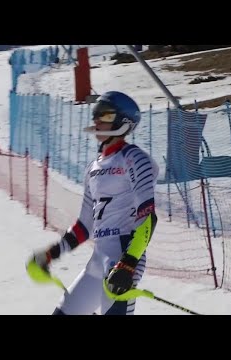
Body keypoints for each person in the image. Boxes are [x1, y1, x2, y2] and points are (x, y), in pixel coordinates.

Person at [27, 91, 159, 315]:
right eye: (96, 114)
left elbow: (147, 218)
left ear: (123, 122)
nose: (97, 120)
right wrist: (53, 253)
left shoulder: (135, 159)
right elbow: (84, 226)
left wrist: (128, 264)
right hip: (98, 260)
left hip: (123, 258)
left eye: (105, 115)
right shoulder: (93, 169)